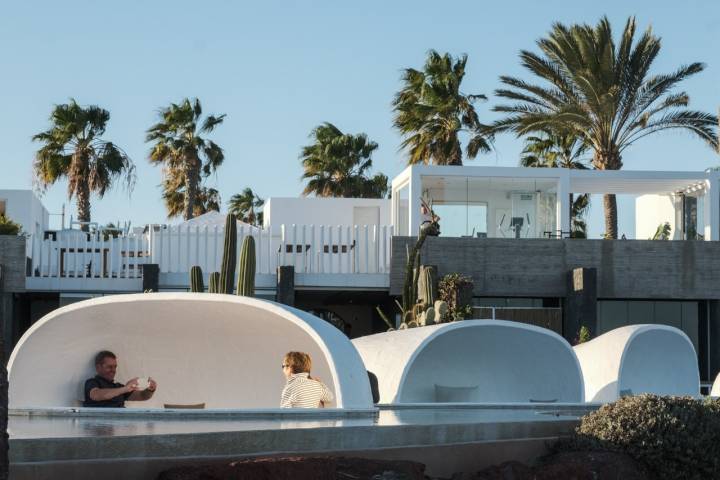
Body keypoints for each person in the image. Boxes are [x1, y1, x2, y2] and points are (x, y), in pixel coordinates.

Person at [83, 350, 157, 408]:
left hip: (119, 424)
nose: (113, 370)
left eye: (115, 367)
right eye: (109, 367)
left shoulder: (118, 386)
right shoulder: (92, 382)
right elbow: (96, 395)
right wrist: (125, 389)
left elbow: (142, 396)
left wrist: (150, 389)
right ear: (98, 367)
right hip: (99, 425)